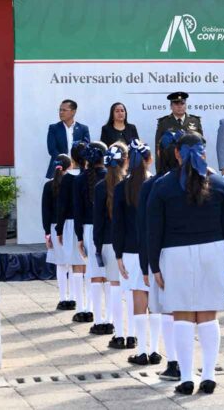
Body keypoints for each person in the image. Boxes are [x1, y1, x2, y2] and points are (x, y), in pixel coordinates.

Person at [147, 132, 224, 395]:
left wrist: (154, 265)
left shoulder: (162, 186)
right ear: (203, 152)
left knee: (182, 315)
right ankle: (208, 375)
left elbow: (153, 229)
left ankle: (186, 377)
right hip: (214, 251)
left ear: (177, 153)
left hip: (174, 254)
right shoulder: (220, 184)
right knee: (208, 315)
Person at [138, 130, 184, 381]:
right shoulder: (200, 181)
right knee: (191, 312)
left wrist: (148, 264)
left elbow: (147, 229)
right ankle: (186, 363)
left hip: (164, 254)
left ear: (159, 153)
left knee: (167, 309)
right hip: (192, 253)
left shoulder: (152, 186)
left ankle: (174, 362)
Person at [112, 139, 163, 365]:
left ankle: (142, 351)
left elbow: (117, 225)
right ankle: (155, 350)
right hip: (155, 249)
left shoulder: (121, 188)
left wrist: (118, 254)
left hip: (131, 250)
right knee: (156, 300)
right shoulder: (157, 184)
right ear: (149, 159)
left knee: (138, 298)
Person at [94, 143, 134, 349]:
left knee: (115, 290)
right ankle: (133, 335)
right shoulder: (132, 184)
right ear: (126, 160)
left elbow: (98, 222)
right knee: (132, 292)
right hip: (130, 245)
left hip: (109, 243)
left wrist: (97, 246)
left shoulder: (100, 187)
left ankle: (119, 335)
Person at [74, 142, 112, 335]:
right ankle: (111, 320)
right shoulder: (111, 177)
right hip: (110, 231)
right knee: (111, 278)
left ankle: (98, 320)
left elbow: (77, 211)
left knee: (95, 275)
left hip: (89, 231)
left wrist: (79, 237)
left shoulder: (80, 180)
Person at [56, 142, 92, 323]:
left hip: (71, 224)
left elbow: (61, 206)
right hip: (89, 224)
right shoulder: (90, 175)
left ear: (72, 158)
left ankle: (80, 307)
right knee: (89, 267)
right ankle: (90, 307)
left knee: (76, 266)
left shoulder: (68, 179)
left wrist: (59, 229)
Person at [43, 154, 74, 310]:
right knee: (73, 265)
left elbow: (45, 211)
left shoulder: (49, 185)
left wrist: (47, 232)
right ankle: (74, 298)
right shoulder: (73, 182)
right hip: (71, 225)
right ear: (70, 166)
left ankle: (63, 298)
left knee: (61, 265)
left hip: (55, 227)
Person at [154, 92, 202, 169]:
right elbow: (158, 149)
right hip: (170, 167)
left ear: (186, 105)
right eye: (176, 104)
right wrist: (160, 171)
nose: (179, 106)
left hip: (192, 167)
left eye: (182, 103)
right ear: (171, 106)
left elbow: (201, 147)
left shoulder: (195, 121)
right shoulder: (163, 123)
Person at [46, 99, 90, 178]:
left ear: (73, 112)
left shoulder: (83, 129)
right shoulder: (54, 128)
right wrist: (65, 162)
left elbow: (86, 148)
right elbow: (52, 149)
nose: (61, 112)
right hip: (59, 169)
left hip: (78, 169)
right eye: (60, 110)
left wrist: (77, 162)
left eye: (64, 110)